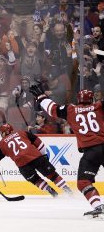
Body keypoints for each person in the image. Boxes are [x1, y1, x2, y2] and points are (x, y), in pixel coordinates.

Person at [29, 85, 104, 218]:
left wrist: (41, 97)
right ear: (92, 99)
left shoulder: (71, 109)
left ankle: (98, 206)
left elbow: (52, 110)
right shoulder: (100, 105)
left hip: (91, 152)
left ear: (78, 99)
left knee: (83, 182)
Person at [0, 123, 72, 198]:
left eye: (1, 132)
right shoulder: (22, 132)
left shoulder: (1, 144)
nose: (0, 134)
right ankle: (68, 191)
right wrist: (44, 156)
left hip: (23, 165)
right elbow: (40, 143)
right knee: (52, 175)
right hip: (37, 157)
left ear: (5, 132)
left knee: (35, 180)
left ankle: (51, 191)